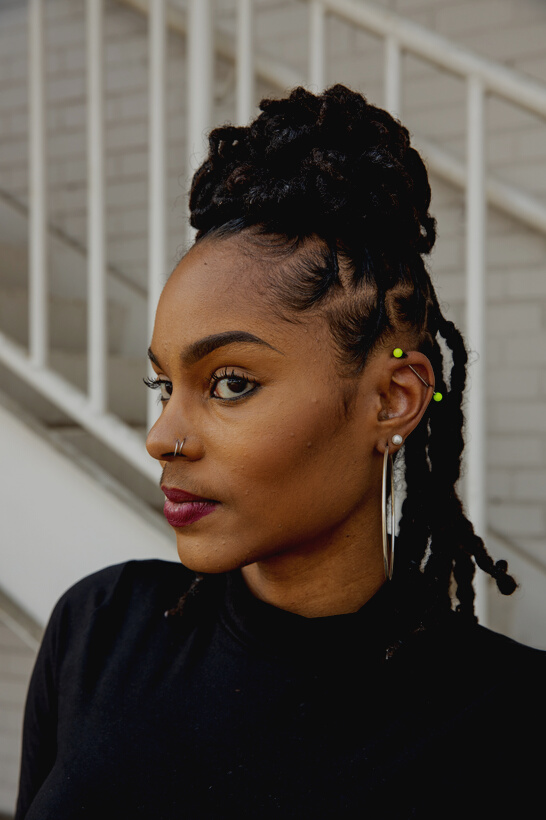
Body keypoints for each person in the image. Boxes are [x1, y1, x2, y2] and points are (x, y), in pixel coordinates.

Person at [16, 85, 545, 819]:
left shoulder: (515, 724)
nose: (162, 435)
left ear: (392, 401)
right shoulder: (99, 630)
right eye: (162, 383)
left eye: (230, 383)